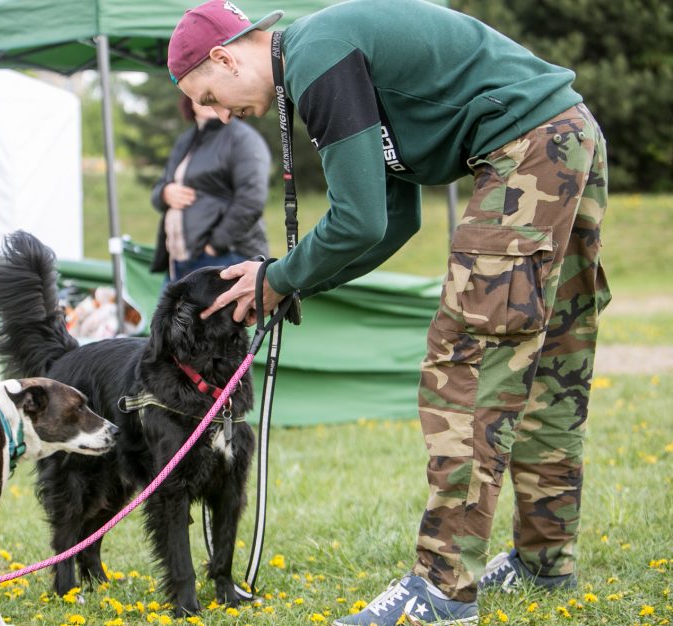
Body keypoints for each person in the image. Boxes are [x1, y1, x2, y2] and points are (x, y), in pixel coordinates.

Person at [167, 1, 610, 624]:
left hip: (526, 150)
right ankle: (545, 560)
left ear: (224, 57)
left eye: (208, 94)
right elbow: (396, 219)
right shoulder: (325, 53)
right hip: (569, 134)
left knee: (468, 368)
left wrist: (277, 278)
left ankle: (442, 590)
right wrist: (290, 285)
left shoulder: (316, 55)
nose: (215, 113)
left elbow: (359, 220)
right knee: (551, 370)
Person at [150, 93, 270, 283]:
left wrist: (214, 246)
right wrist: (164, 194)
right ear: (189, 99)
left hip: (225, 259)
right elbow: (157, 190)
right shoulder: (184, 141)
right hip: (179, 262)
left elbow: (251, 201)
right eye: (202, 95)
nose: (208, 102)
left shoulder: (243, 139)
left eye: (215, 95)